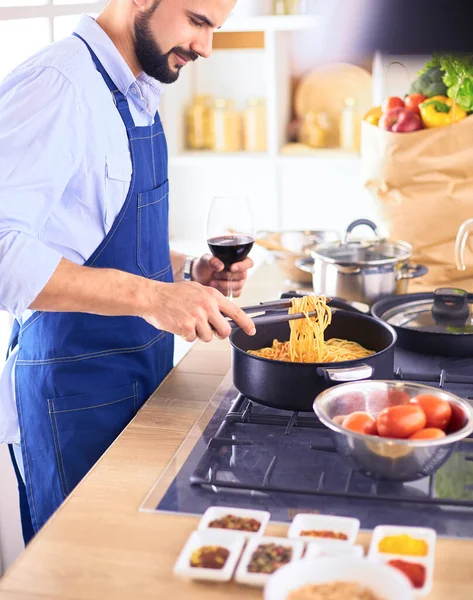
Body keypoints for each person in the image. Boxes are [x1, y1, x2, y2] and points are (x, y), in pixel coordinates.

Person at [0, 0, 256, 542]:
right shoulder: (58, 85)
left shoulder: (138, 91)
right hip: (71, 396)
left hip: (142, 381)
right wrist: (153, 298)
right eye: (198, 21)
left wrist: (188, 274)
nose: (206, 47)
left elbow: (92, 232)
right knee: (84, 572)